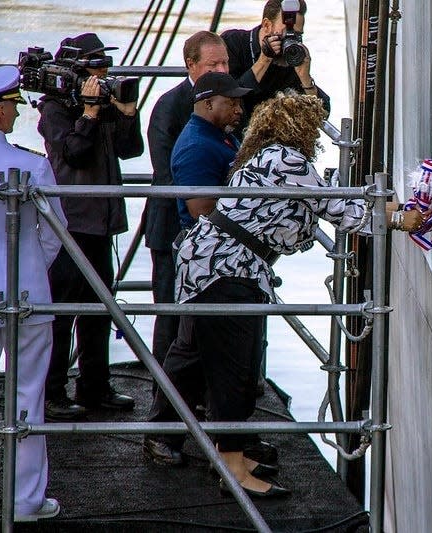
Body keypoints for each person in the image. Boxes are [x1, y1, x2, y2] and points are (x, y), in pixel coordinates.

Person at [153, 91, 423, 499]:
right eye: (313, 126)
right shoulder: (287, 160)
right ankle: (232, 468)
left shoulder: (265, 158)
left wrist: (382, 205)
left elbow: (326, 194)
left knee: (193, 356)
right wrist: (401, 219)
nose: (316, 134)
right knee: (232, 368)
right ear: (301, 127)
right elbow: (337, 211)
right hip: (228, 271)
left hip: (207, 264)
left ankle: (208, 447)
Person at [143, 71, 251, 466]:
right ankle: (162, 434)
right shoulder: (196, 146)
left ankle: (216, 438)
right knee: (189, 354)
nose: (239, 108)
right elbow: (200, 210)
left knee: (195, 353)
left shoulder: (217, 138)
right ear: (208, 104)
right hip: (207, 264)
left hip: (217, 262)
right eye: (232, 102)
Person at [37, 33, 143, 420]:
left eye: (105, 66)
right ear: (77, 69)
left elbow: (131, 150)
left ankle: (95, 386)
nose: (103, 73)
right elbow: (74, 155)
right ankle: (52, 392)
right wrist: (89, 114)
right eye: (96, 66)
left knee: (100, 307)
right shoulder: (54, 108)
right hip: (71, 222)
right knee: (63, 311)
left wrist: (127, 111)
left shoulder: (101, 100)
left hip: (100, 222)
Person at [0, 65, 67, 521]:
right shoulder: (33, 163)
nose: (16, 115)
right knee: (28, 397)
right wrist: (33, 268)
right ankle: (24, 502)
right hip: (29, 289)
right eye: (13, 108)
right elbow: (56, 234)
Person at [145, 31, 229, 388]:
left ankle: (197, 395)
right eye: (213, 64)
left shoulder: (227, 100)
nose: (222, 69)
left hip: (209, 229)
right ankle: (164, 397)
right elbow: (166, 174)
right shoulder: (169, 106)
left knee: (203, 320)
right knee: (170, 314)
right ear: (191, 65)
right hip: (172, 229)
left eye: (225, 62)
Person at [221, 0, 330, 135]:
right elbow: (229, 100)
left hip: (274, 145)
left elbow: (322, 115)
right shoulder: (234, 43)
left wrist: (305, 78)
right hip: (234, 139)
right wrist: (264, 60)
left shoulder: (291, 58)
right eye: (286, 33)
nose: (291, 40)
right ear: (266, 25)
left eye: (297, 35)